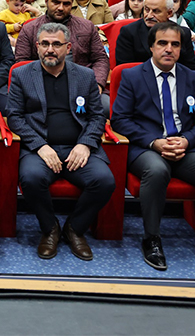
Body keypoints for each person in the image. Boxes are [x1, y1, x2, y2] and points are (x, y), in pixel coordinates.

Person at [111, 21, 195, 272]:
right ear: (151, 47)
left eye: (175, 44)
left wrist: (187, 140)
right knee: (157, 171)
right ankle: (151, 238)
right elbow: (120, 119)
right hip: (147, 147)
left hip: (185, 146)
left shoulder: (190, 76)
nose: (169, 49)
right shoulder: (132, 76)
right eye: (162, 43)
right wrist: (155, 142)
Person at [7, 23, 115, 261]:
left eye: (56, 44)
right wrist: (40, 146)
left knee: (104, 181)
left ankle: (75, 229)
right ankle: (50, 228)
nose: (50, 49)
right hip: (40, 149)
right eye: (44, 44)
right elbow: (14, 116)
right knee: (31, 179)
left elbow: (97, 116)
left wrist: (85, 144)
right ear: (37, 47)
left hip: (78, 148)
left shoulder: (85, 76)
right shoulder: (21, 74)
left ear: (68, 48)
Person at [15, 0, 110, 91]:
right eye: (56, 2)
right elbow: (21, 63)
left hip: (83, 85)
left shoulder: (87, 27)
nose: (60, 8)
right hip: (41, 86)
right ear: (46, 1)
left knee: (105, 106)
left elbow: (100, 59)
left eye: (66, 4)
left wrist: (97, 84)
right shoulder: (29, 29)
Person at [116, 0, 195, 71]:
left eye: (156, 11)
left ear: (169, 13)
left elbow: (191, 68)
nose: (149, 15)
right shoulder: (128, 32)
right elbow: (125, 68)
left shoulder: (183, 33)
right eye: (147, 10)